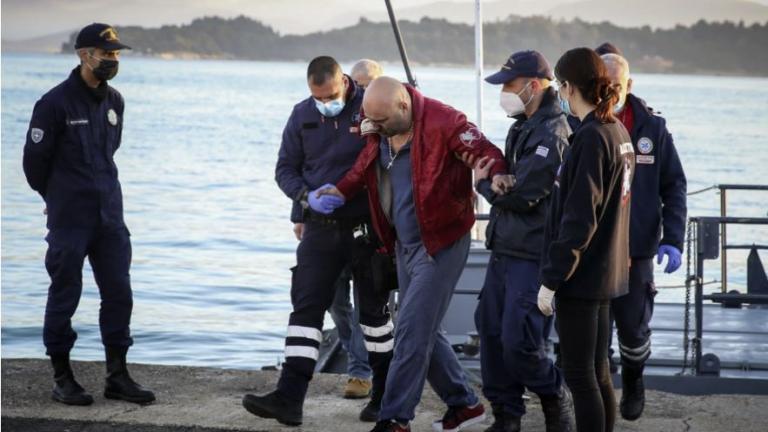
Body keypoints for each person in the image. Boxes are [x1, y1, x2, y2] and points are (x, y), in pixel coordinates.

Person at [317, 76, 507, 432]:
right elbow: (364, 166)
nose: (376, 129)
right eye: (372, 122)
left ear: (403, 106)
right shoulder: (379, 124)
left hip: (441, 244)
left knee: (409, 332)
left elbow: (484, 152)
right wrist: (339, 191)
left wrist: (495, 174)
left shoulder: (444, 121)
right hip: (403, 244)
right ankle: (464, 404)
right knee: (425, 331)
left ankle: (395, 419)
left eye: (383, 122)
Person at [242, 56, 393, 426]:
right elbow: (284, 170)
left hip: (365, 226)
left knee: (374, 316)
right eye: (317, 98)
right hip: (320, 225)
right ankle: (289, 397)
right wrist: (306, 197)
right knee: (305, 310)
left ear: (344, 81)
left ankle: (385, 396)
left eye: (330, 96)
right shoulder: (301, 115)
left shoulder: (369, 107)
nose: (325, 104)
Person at [22, 23, 155, 406]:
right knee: (65, 293)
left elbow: (110, 152)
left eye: (116, 54)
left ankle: (118, 376)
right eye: (106, 53)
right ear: (84, 55)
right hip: (70, 219)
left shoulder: (115, 101)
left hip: (110, 216)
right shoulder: (54, 104)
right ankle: (62, 377)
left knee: (119, 293)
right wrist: (56, 197)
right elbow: (34, 164)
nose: (112, 60)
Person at [472, 50, 574, 432]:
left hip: (532, 254)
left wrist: (483, 183)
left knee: (519, 341)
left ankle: (553, 395)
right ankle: (506, 415)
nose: (505, 93)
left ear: (534, 86)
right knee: (492, 332)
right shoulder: (523, 124)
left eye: (510, 86)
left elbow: (524, 194)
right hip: (505, 248)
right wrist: (501, 180)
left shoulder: (552, 131)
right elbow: (512, 184)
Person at [538, 47, 635, 432]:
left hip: (583, 275)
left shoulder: (592, 137)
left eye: (560, 86)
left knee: (579, 374)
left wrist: (552, 279)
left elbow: (580, 219)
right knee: (599, 372)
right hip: (607, 270)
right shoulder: (618, 130)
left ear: (568, 86)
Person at [601, 52, 687, 421]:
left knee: (634, 329)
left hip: (636, 250)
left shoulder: (652, 127)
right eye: (603, 85)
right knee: (593, 332)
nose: (610, 92)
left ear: (628, 86)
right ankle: (599, 397)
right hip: (593, 251)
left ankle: (634, 381)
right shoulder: (578, 122)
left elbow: (674, 185)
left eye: (616, 85)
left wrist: (674, 238)